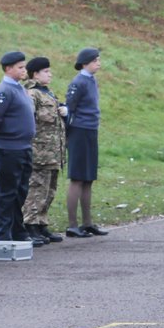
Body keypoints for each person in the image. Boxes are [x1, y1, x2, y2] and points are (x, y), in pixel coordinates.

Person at [0, 51, 39, 243]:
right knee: (8, 191)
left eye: (24, 67)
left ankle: (18, 230)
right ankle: (4, 233)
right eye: (20, 67)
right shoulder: (5, 90)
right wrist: (8, 135)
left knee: (20, 191)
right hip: (8, 148)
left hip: (23, 147)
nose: (23, 70)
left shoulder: (19, 88)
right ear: (8, 69)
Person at [64, 47, 108, 238]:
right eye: (95, 60)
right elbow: (69, 108)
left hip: (90, 130)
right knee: (78, 177)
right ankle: (73, 224)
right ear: (85, 63)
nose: (98, 63)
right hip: (79, 131)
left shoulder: (92, 80)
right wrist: (68, 133)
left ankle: (87, 222)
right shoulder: (79, 82)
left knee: (89, 177)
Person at [23, 57, 66, 244]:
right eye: (46, 71)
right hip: (39, 150)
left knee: (50, 189)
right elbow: (30, 120)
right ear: (35, 74)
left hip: (53, 151)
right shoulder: (32, 94)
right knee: (36, 189)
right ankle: (30, 224)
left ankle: (41, 223)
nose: (50, 74)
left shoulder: (48, 93)